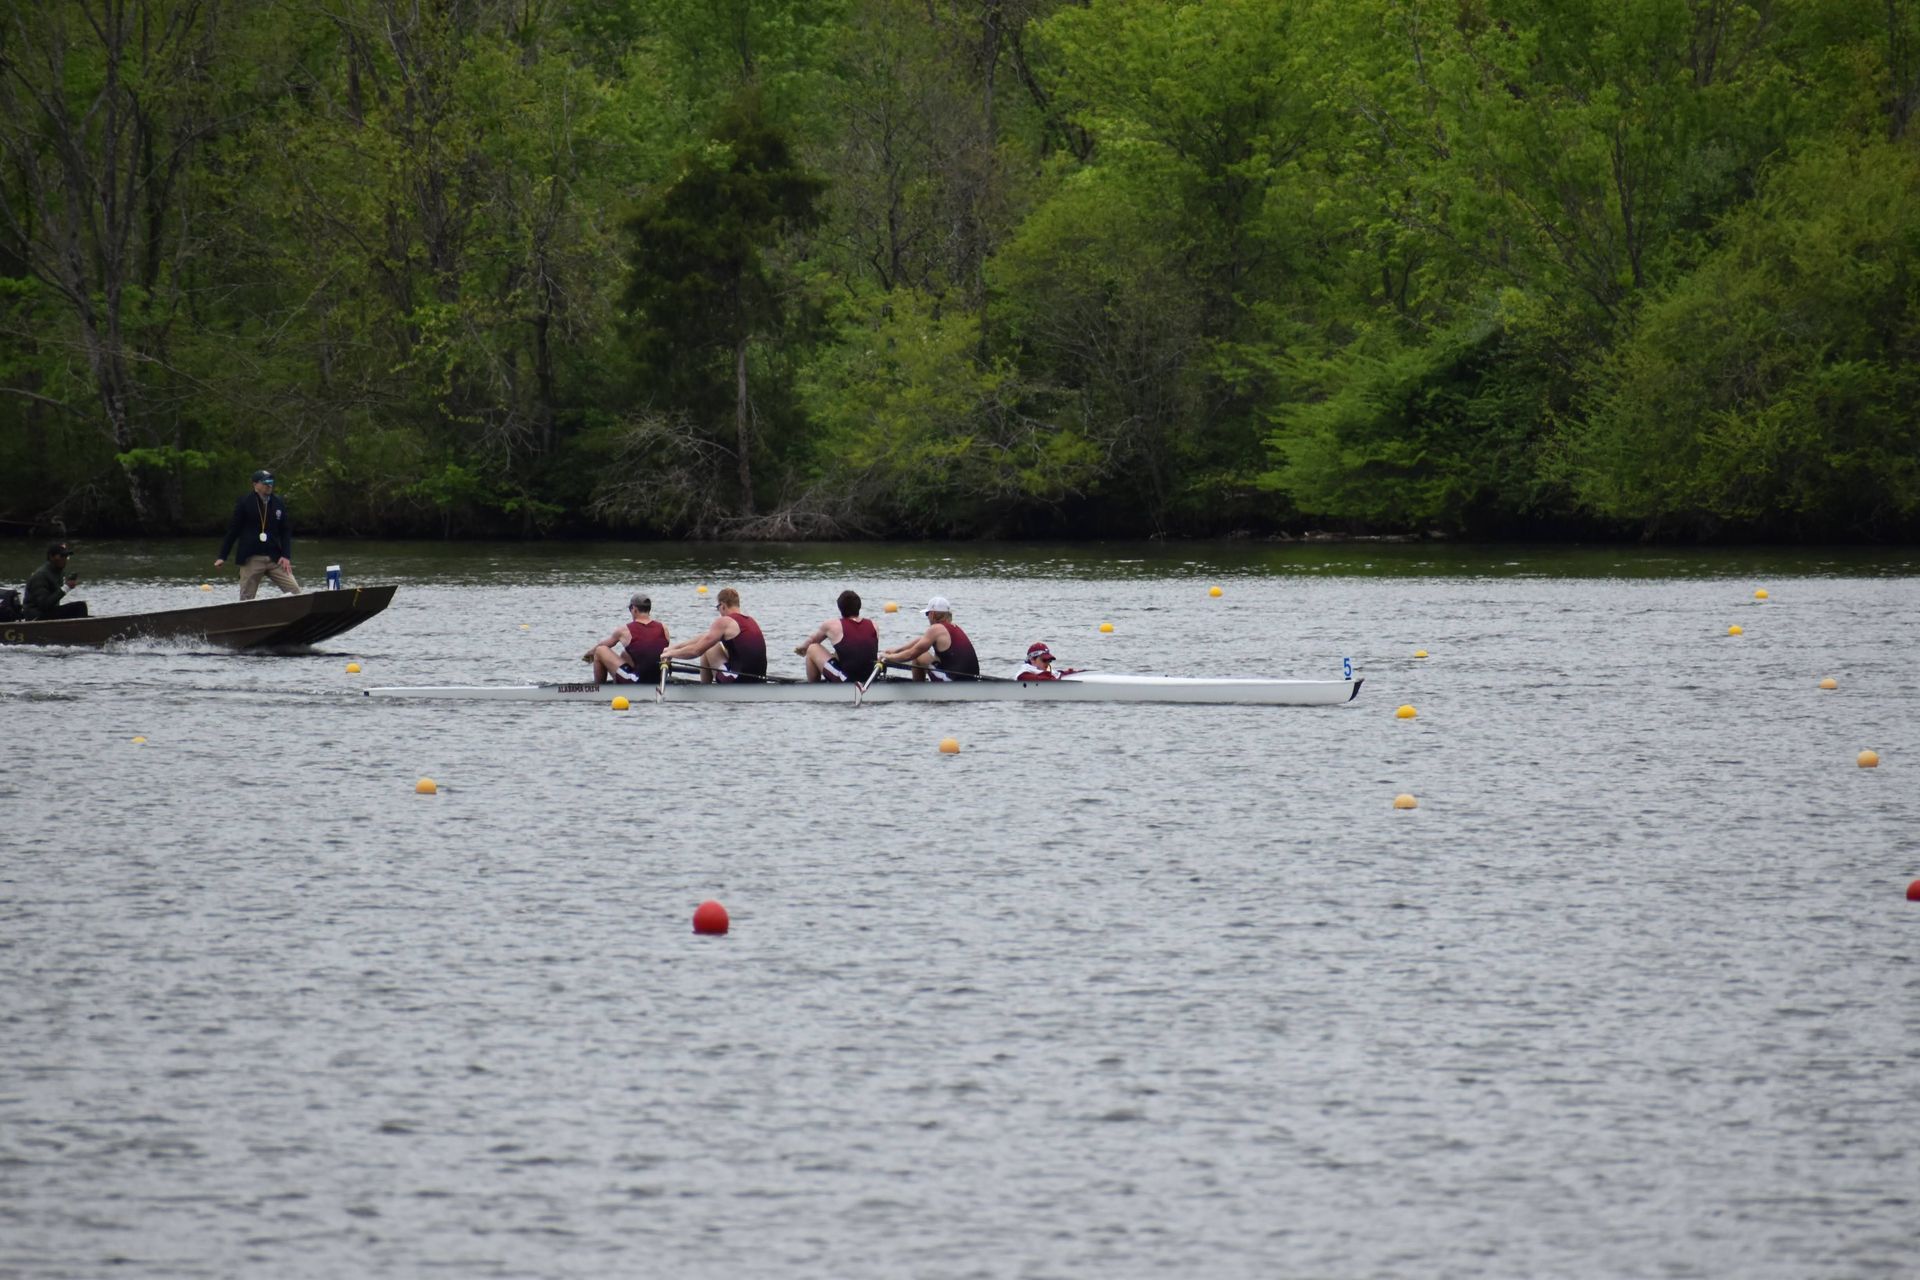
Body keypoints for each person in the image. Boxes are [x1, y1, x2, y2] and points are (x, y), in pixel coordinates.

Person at [215, 469, 300, 600]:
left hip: (275, 558)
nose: (269, 485)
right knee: (246, 598)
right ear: (255, 485)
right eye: (265, 482)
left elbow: (285, 530)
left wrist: (286, 555)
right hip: (251, 557)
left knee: (295, 592)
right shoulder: (244, 503)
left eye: (271, 482)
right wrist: (222, 556)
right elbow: (233, 530)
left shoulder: (278, 503)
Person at [659, 586, 767, 682]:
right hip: (758, 678)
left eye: (718, 607)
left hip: (738, 679)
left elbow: (696, 651)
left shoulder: (725, 621)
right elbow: (704, 637)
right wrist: (673, 648)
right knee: (709, 640)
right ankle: (707, 688)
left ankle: (705, 691)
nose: (719, 611)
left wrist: (671, 654)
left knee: (709, 647)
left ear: (723, 606)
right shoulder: (750, 620)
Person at [880, 595, 979, 681]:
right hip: (970, 679)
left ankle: (919, 691)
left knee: (918, 656)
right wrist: (896, 651)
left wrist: (888, 657)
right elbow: (920, 640)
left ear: (932, 614)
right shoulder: (953, 627)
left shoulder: (935, 629)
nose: (927, 617)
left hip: (954, 681)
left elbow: (909, 655)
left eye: (927, 614)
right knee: (927, 653)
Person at [795, 589, 880, 683]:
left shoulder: (832, 625)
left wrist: (801, 648)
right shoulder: (873, 625)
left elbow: (812, 641)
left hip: (846, 680)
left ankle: (813, 690)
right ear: (859, 607)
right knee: (842, 653)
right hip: (870, 679)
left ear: (840, 608)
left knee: (812, 648)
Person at [585, 595, 671, 684]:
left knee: (600, 651)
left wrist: (589, 654)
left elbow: (603, 645)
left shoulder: (624, 630)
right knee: (625, 655)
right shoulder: (663, 628)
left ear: (634, 609)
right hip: (659, 679)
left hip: (638, 681)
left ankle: (598, 691)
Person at [22, 543, 87, 620]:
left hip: (47, 612)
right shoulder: (41, 576)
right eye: (61, 556)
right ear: (51, 557)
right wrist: (66, 587)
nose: (64, 559)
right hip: (35, 617)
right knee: (79, 607)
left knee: (79, 608)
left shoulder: (58, 573)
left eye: (66, 557)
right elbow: (44, 605)